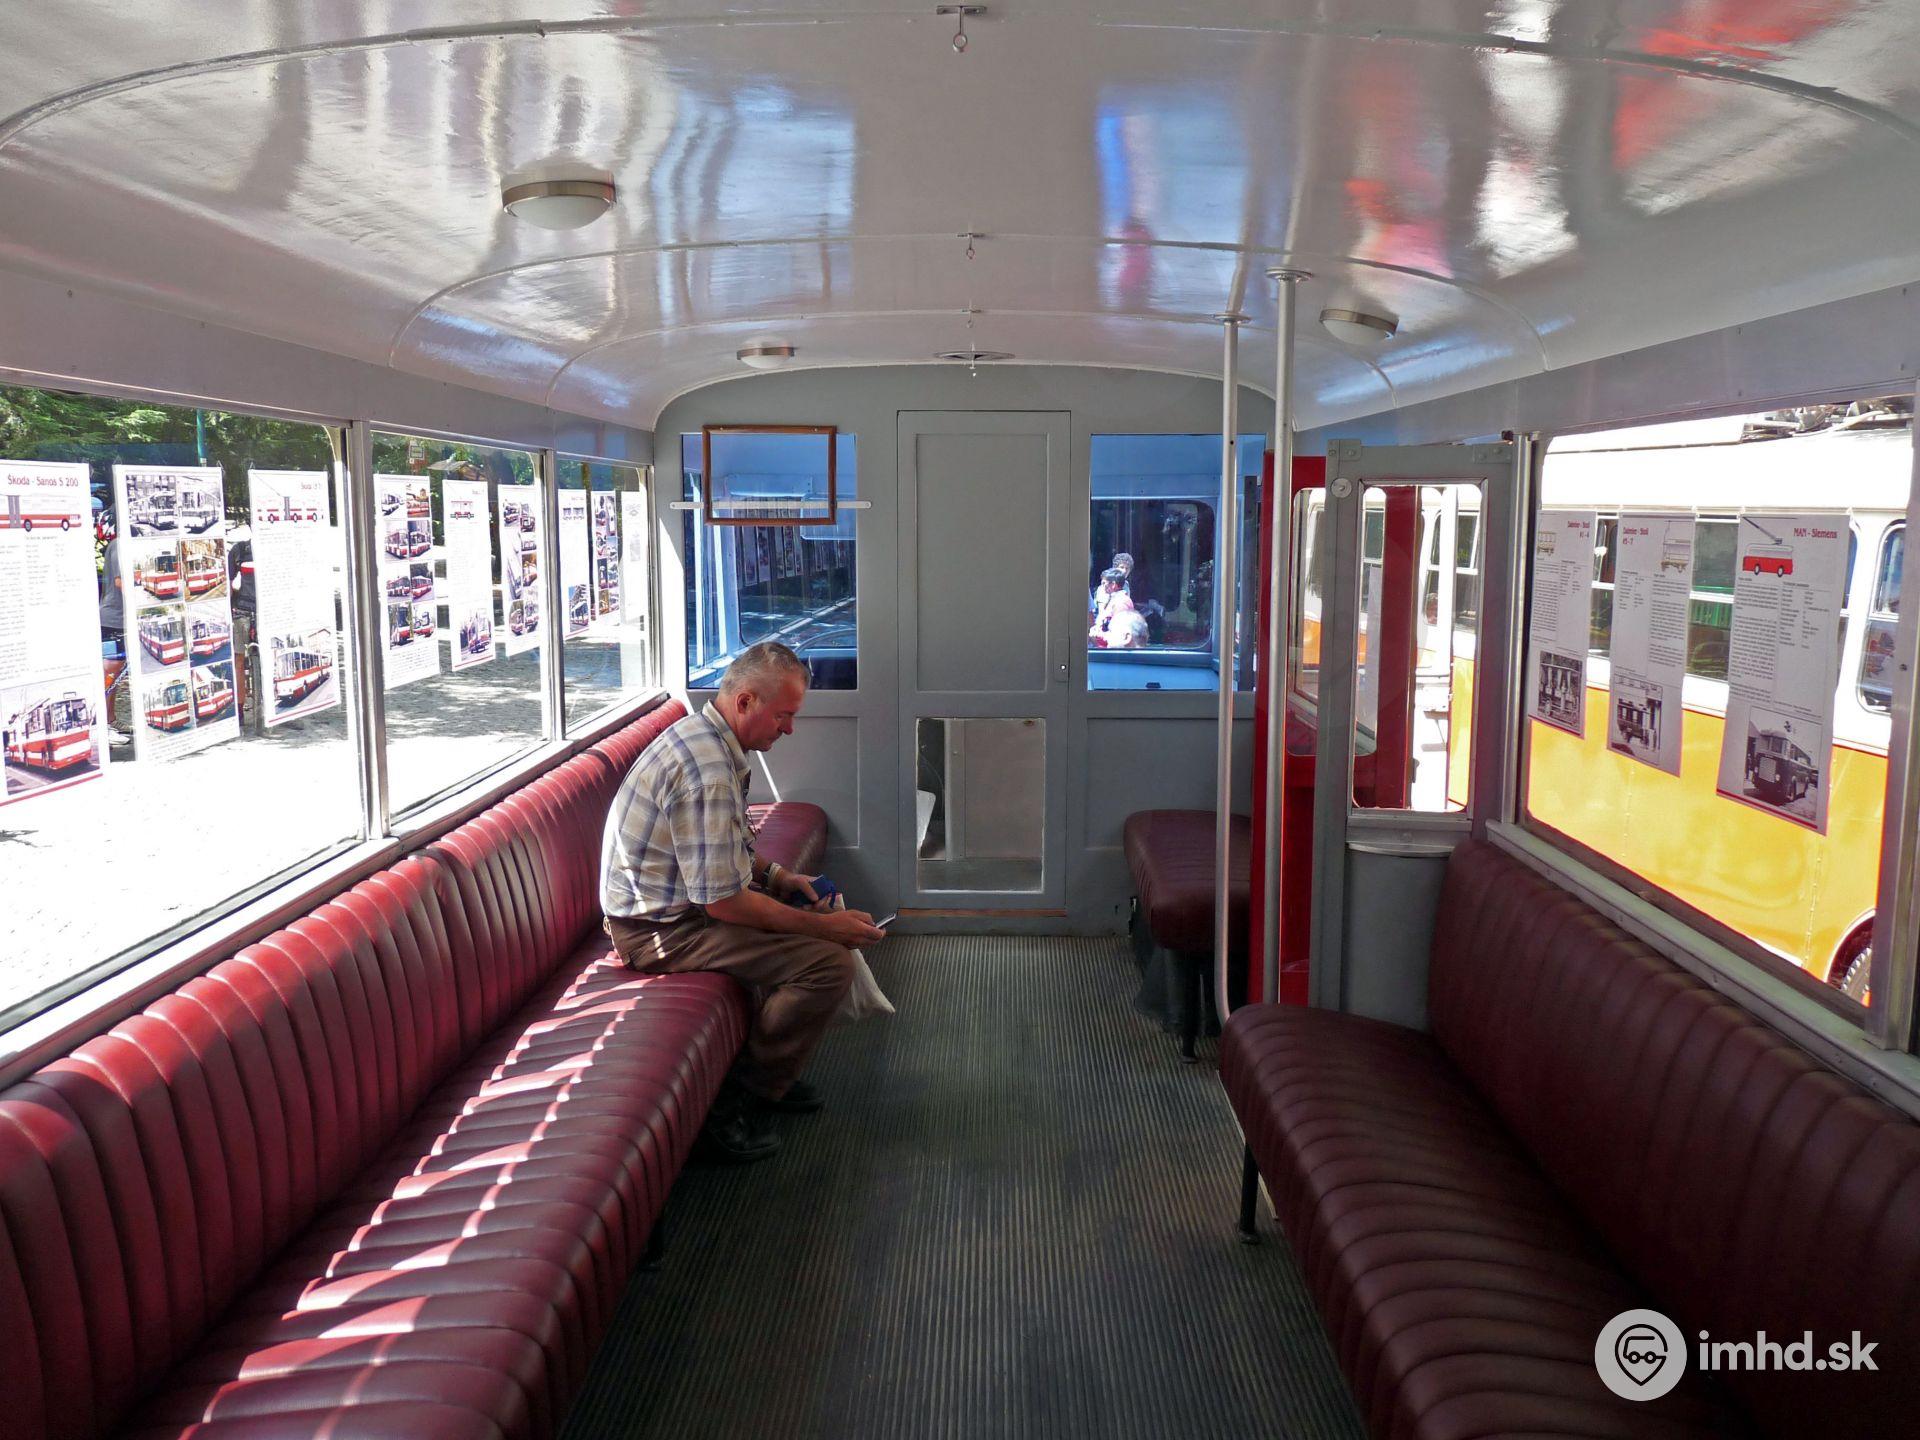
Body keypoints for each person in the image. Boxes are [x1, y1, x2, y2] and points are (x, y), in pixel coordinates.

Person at [599, 640, 886, 1162]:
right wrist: (829, 928)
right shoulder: (706, 772)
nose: (790, 729)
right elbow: (724, 904)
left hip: (683, 909)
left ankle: (773, 1072)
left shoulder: (708, 740)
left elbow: (718, 851)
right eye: (784, 716)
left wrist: (778, 877)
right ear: (746, 701)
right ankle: (738, 1100)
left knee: (807, 922)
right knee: (827, 965)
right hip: (660, 932)